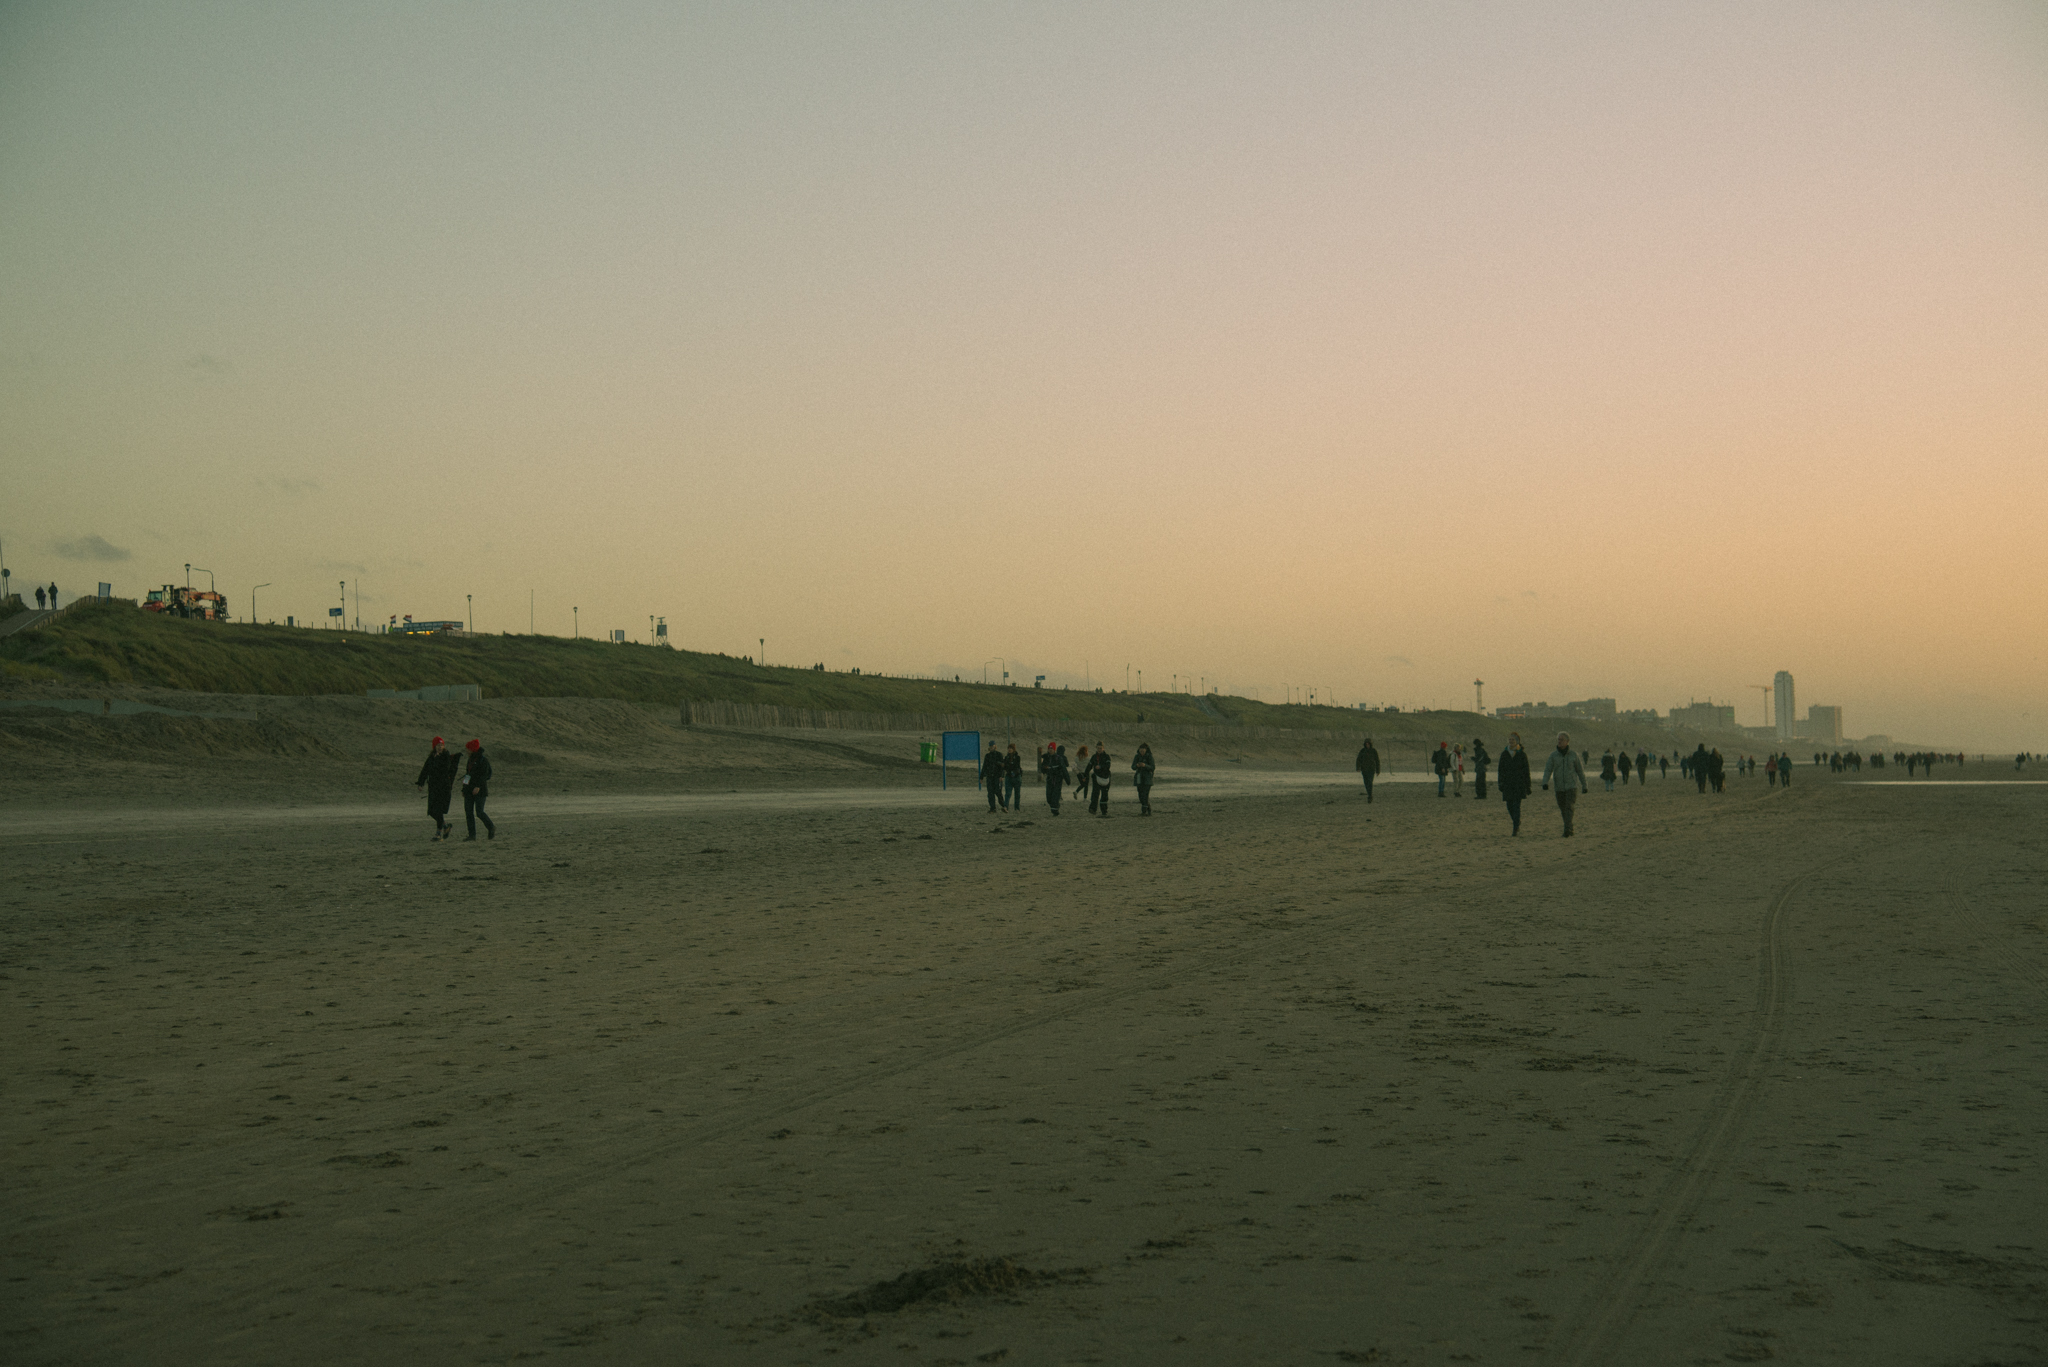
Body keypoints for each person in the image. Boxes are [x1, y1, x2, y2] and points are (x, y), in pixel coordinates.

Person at [1540, 731, 1588, 837]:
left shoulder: (1573, 755)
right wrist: (1545, 782)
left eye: (1561, 740)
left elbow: (1580, 771)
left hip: (1571, 786)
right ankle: (1569, 827)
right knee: (1563, 808)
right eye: (1558, 739)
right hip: (1559, 787)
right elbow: (1548, 769)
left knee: (1569, 807)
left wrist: (1584, 785)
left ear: (1567, 741)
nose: (1559, 741)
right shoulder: (1553, 755)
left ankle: (1567, 829)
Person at [414, 735, 459, 840]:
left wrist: (438, 758)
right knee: (431, 811)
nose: (440, 747)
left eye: (441, 745)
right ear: (434, 746)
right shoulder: (431, 757)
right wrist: (421, 783)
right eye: (438, 745)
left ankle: (438, 834)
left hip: (443, 787)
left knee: (438, 810)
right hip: (433, 787)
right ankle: (445, 826)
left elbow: (445, 768)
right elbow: (425, 770)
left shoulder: (445, 756)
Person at [1496, 731, 1532, 836]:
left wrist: (1528, 785)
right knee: (1509, 805)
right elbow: (1500, 770)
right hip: (1507, 784)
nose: (1511, 741)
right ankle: (1516, 821)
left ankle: (1515, 827)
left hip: (1519, 784)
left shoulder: (1522, 754)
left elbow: (1526, 771)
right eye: (1510, 739)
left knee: (1516, 806)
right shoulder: (1504, 754)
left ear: (1517, 741)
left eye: (1513, 740)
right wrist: (1500, 783)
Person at [460, 738, 495, 840]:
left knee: (479, 812)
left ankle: (491, 827)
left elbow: (484, 775)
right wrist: (464, 788)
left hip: (480, 790)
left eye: (468, 749)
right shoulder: (470, 760)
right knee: (468, 812)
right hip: (468, 790)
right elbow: (467, 774)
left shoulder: (483, 760)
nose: (467, 751)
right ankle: (472, 835)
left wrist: (478, 786)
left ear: (472, 750)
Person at [1039, 744, 1069, 815]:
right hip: (1049, 779)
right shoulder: (1046, 757)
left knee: (1055, 795)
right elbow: (1042, 769)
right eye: (1049, 748)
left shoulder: (1058, 758)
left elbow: (1064, 769)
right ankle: (1055, 806)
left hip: (1058, 779)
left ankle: (1055, 810)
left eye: (1051, 749)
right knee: (1049, 797)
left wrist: (1067, 779)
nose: (1050, 750)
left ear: (1054, 750)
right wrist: (1044, 768)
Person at [980, 741, 1006, 813]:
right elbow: (984, 766)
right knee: (990, 793)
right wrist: (981, 777)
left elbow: (1002, 767)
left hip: (997, 777)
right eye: (990, 746)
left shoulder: (999, 755)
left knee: (998, 792)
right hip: (989, 777)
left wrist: (1002, 776)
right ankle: (993, 808)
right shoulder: (987, 756)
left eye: (993, 746)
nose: (991, 748)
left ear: (995, 747)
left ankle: (1004, 805)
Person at [1131, 743, 1157, 815]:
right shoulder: (1137, 756)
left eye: (1143, 751)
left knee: (1145, 795)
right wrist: (1137, 765)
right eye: (1140, 750)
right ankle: (1148, 808)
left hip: (1147, 779)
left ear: (1146, 750)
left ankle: (1144, 811)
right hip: (1139, 777)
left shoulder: (1149, 757)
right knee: (1140, 795)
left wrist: (1145, 765)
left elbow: (1152, 767)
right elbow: (1133, 767)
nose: (1141, 752)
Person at [1088, 744, 1112, 815]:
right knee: (1095, 793)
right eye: (1098, 748)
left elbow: (1108, 766)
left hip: (1105, 777)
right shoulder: (1094, 757)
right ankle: (1093, 809)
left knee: (1104, 795)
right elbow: (1089, 766)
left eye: (1100, 748)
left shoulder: (1107, 757)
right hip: (1096, 777)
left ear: (1103, 749)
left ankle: (1104, 811)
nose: (1099, 750)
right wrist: (1085, 775)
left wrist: (1101, 766)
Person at [1002, 743, 1024, 812]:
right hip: (1009, 777)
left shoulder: (1017, 757)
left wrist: (1009, 766)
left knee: (1017, 794)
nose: (1009, 749)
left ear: (1013, 749)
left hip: (1016, 777)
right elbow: (1005, 767)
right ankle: (1005, 807)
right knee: (1008, 793)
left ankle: (1017, 808)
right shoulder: (1006, 758)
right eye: (1008, 748)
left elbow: (1016, 766)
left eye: (1011, 748)